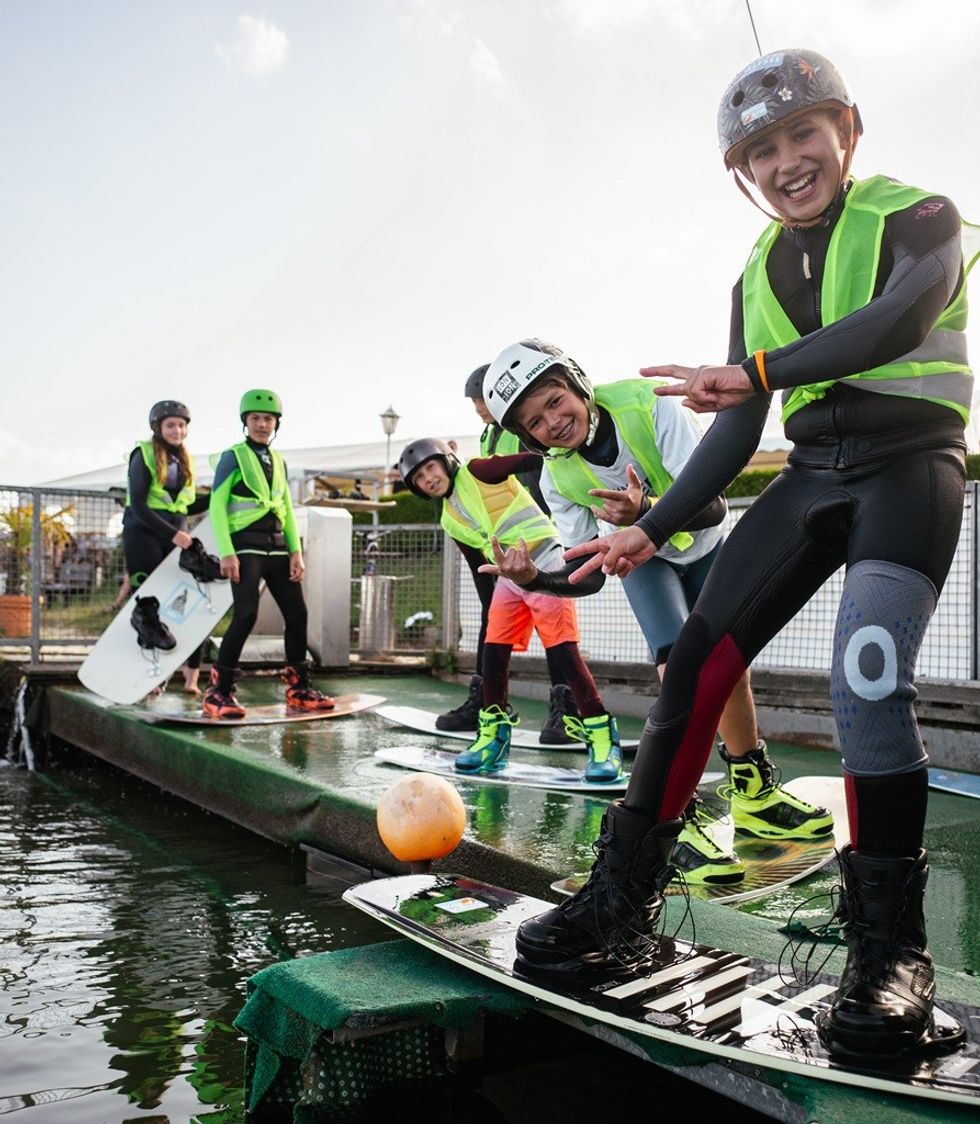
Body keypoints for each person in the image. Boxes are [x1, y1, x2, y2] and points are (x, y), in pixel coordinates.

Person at [510, 49, 975, 1062]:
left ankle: (888, 953)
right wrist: (649, 524)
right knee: (695, 663)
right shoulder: (752, 273)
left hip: (908, 466)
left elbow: (895, 317)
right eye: (759, 151)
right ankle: (618, 900)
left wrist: (751, 368)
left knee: (864, 680)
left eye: (802, 133)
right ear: (741, 175)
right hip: (809, 476)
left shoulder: (924, 214)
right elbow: (733, 425)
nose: (785, 161)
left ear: (848, 129)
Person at [482, 340, 832, 884]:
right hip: (645, 562)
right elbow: (590, 575)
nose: (552, 422)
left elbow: (713, 502)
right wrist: (532, 578)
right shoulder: (559, 477)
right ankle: (677, 816)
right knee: (681, 671)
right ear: (527, 436)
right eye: (534, 422)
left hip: (707, 545)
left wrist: (646, 512)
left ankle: (754, 795)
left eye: (554, 401)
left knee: (728, 668)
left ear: (577, 385)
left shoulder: (650, 404)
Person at [398, 437, 622, 781]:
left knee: (563, 652)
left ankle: (603, 739)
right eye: (419, 479)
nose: (428, 478)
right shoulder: (448, 519)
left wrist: (569, 491)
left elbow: (530, 460)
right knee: (493, 655)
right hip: (508, 576)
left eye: (430, 468)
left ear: (446, 461)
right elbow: (478, 566)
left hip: (545, 560)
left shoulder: (477, 470)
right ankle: (493, 739)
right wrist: (491, 614)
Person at [437, 365, 578, 744]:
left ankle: (568, 709)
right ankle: (487, 702)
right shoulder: (489, 435)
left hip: (539, 539)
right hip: (503, 551)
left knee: (553, 625)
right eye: (474, 402)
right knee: (495, 624)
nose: (480, 407)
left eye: (484, 398)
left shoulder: (520, 426)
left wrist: (556, 519)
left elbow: (540, 466)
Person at [203, 389, 336, 719]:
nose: (262, 424)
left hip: (276, 547)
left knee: (297, 614)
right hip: (245, 548)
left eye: (268, 419)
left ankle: (298, 689)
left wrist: (296, 551)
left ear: (276, 423)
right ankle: (218, 693)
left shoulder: (279, 461)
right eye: (255, 419)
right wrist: (227, 552)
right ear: (245, 423)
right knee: (246, 614)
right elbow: (216, 506)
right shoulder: (232, 456)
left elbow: (287, 509)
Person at [122, 400, 209, 691]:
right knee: (148, 604)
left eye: (182, 425)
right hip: (143, 532)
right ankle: (148, 677)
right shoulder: (143, 455)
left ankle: (183, 674)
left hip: (175, 531)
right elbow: (139, 506)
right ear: (158, 428)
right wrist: (174, 535)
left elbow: (185, 504)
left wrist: (219, 495)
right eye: (171, 424)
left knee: (180, 601)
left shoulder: (186, 460)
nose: (177, 430)